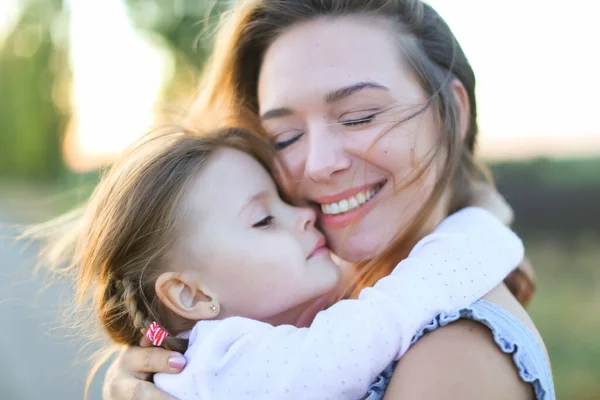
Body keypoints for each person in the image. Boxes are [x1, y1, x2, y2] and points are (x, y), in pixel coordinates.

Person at [103, 0, 555, 399]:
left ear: (452, 112)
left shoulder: (456, 356)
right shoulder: (304, 310)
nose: (318, 164)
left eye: (359, 117)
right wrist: (158, 353)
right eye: (285, 137)